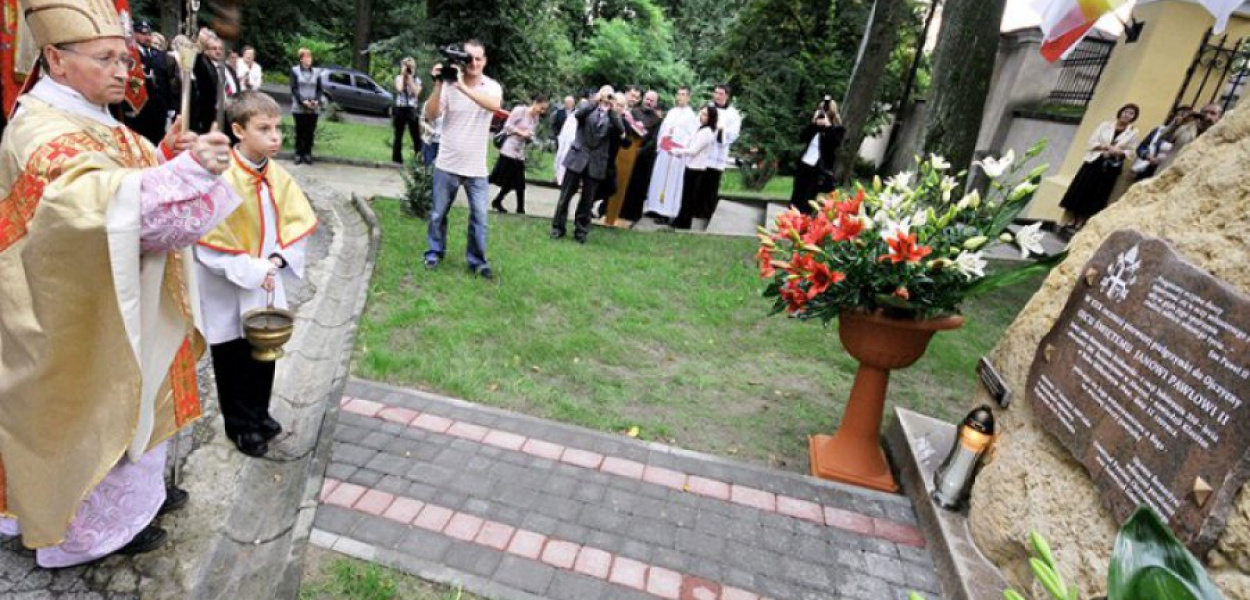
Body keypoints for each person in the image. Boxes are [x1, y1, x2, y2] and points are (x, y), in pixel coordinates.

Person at [0, 0, 241, 566]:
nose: (123, 72)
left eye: (125, 58)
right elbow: (89, 205)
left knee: (139, 398)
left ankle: (137, 504)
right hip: (70, 313)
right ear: (56, 61)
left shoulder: (91, 114)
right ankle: (82, 531)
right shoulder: (37, 128)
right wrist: (186, 174)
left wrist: (163, 157)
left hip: (124, 294)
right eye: (106, 58)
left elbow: (126, 180)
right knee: (88, 410)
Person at [196, 92, 318, 457]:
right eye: (263, 129)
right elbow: (208, 242)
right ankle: (240, 424)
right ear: (238, 130)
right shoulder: (220, 178)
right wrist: (253, 269)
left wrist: (279, 260)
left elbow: (297, 222)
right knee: (232, 354)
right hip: (229, 282)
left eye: (278, 128)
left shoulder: (276, 175)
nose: (275, 136)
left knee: (264, 348)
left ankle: (260, 412)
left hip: (266, 276)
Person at [422, 39, 503, 279]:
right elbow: (431, 114)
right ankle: (434, 253)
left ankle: (477, 261)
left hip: (476, 168)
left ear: (485, 61)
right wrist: (438, 84)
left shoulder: (491, 87)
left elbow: (494, 106)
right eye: (469, 59)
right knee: (438, 214)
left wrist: (462, 87)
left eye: (478, 59)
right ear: (462, 60)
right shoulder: (447, 85)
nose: (474, 63)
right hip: (447, 163)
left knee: (480, 217)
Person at [551, 86, 624, 243]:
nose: (607, 98)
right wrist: (596, 101)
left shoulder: (613, 117)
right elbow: (579, 114)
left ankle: (581, 231)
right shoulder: (588, 107)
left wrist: (611, 108)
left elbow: (620, 130)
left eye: (609, 96)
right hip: (578, 156)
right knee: (566, 195)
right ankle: (558, 227)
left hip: (597, 161)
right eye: (605, 95)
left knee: (587, 199)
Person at [1058, 103, 1139, 232]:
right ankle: (1072, 218)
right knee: (1082, 189)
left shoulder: (1133, 132)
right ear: (1120, 112)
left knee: (1097, 194)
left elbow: (1131, 152)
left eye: (1131, 113)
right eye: (1125, 111)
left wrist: (1118, 152)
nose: (1127, 115)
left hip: (1110, 167)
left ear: (1133, 117)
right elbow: (1091, 142)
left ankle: (1082, 221)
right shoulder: (1105, 125)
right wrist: (1105, 147)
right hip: (1094, 161)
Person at [643, 86, 697, 224]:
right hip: (664, 151)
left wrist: (679, 144)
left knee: (670, 182)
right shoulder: (672, 112)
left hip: (676, 154)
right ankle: (654, 207)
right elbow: (663, 129)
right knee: (658, 179)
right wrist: (663, 140)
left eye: (684, 94)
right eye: (679, 94)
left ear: (689, 97)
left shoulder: (691, 116)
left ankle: (666, 212)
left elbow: (691, 136)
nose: (680, 97)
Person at [490, 94, 549, 214]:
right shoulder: (520, 111)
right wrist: (521, 133)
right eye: (541, 108)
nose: (542, 111)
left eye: (544, 109)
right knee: (496, 177)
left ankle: (510, 205)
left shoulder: (535, 118)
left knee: (517, 181)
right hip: (509, 149)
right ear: (535, 103)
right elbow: (508, 126)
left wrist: (530, 137)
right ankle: (472, 185)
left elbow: (531, 131)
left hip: (519, 151)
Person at [789, 97, 845, 214]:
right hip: (804, 164)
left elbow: (834, 144)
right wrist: (813, 123)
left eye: (825, 111)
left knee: (808, 199)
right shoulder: (815, 127)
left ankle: (803, 224)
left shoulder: (837, 129)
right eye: (820, 110)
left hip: (818, 169)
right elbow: (802, 137)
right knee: (796, 196)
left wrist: (828, 126)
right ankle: (790, 221)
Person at [123, 18, 174, 145]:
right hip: (142, 107)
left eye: (149, 34)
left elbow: (164, 80)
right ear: (134, 34)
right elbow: (131, 80)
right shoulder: (131, 55)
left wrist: (169, 106)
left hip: (158, 107)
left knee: (158, 141)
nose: (147, 37)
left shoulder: (155, 53)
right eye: (143, 34)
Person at [603, 85, 647, 224]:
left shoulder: (631, 116)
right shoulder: (608, 112)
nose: (633, 99)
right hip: (603, 156)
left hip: (619, 158)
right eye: (632, 95)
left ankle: (605, 213)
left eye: (636, 97)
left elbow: (629, 140)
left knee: (612, 187)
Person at [670, 104, 718, 230]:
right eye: (701, 113)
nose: (701, 116)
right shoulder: (702, 129)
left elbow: (693, 150)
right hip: (691, 165)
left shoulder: (707, 132)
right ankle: (681, 219)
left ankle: (684, 221)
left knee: (689, 196)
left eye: (705, 114)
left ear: (711, 117)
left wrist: (676, 151)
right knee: (686, 195)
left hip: (696, 168)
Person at [619, 89, 664, 222]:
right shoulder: (633, 112)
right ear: (643, 99)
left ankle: (633, 214)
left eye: (652, 100)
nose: (649, 102)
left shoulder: (657, 120)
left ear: (655, 103)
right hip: (628, 154)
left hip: (644, 158)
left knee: (639, 186)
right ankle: (620, 210)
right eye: (647, 99)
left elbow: (655, 139)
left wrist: (641, 151)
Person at [702, 84, 742, 223]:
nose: (717, 96)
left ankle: (707, 211)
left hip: (717, 153)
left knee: (711, 183)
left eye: (720, 93)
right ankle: (695, 209)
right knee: (699, 181)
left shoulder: (733, 114)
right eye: (716, 92)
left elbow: (734, 133)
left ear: (727, 96)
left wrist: (720, 131)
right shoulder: (707, 108)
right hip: (702, 151)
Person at [1131, 105, 1189, 181]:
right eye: (1178, 115)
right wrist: (1148, 156)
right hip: (1145, 171)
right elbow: (1140, 148)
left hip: (1166, 176)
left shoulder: (1187, 138)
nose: (1179, 119)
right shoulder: (1159, 130)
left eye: (1184, 117)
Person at [290, 48, 324, 165]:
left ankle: (308, 154)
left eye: (310, 57)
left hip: (313, 107)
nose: (309, 59)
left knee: (310, 132)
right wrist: (303, 101)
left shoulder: (317, 72)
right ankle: (298, 154)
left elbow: (320, 89)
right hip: (299, 107)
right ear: (301, 59)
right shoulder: (294, 71)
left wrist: (316, 101)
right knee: (300, 131)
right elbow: (294, 89)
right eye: (307, 57)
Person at [392, 57, 423, 164]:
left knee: (415, 135)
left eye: (411, 67)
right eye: (407, 66)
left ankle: (418, 157)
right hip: (400, 107)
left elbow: (416, 93)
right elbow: (399, 89)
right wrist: (404, 77)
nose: (409, 69)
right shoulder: (398, 78)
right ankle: (397, 159)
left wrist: (410, 80)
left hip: (411, 108)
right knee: (398, 134)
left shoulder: (417, 80)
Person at [553, 93, 580, 185]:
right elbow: (555, 125)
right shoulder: (559, 113)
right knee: (559, 157)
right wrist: (557, 136)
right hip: (561, 139)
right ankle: (557, 177)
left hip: (571, 140)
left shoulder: (576, 114)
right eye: (566, 102)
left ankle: (564, 178)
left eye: (569, 102)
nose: (567, 104)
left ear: (573, 103)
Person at [420, 97, 443, 166]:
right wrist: (431, 130)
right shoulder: (428, 103)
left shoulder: (452, 105)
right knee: (428, 165)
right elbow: (422, 121)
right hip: (430, 141)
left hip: (444, 143)